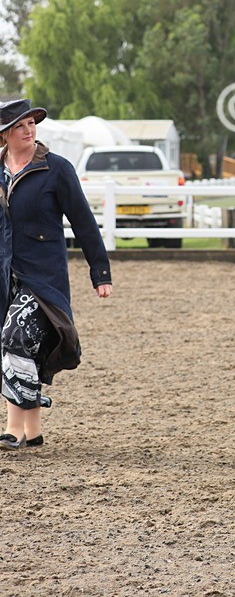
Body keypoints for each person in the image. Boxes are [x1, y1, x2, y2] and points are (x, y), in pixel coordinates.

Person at [0, 99, 112, 450]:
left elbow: (83, 221)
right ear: (4, 133)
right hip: (4, 274)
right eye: (20, 126)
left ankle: (13, 429)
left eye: (32, 123)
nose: (29, 130)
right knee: (14, 348)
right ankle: (32, 432)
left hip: (42, 276)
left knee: (14, 336)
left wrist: (100, 271)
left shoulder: (56, 169)